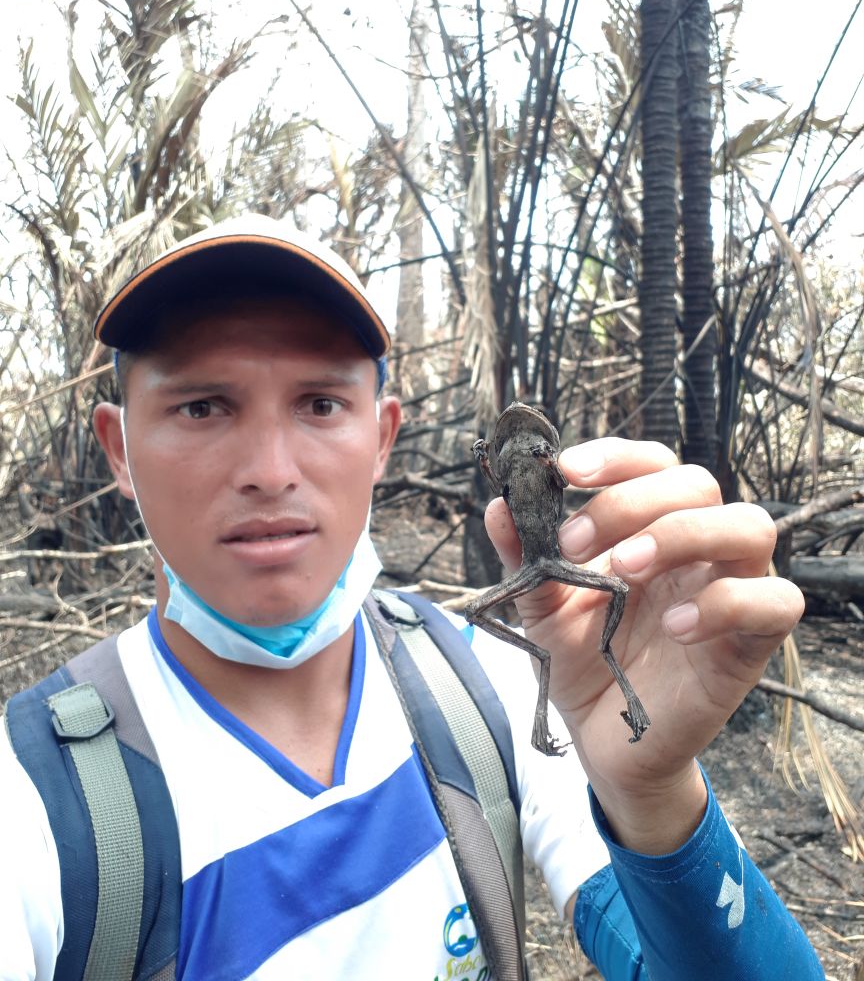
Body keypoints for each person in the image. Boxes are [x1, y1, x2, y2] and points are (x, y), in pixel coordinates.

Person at [1, 212, 824, 980]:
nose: (270, 469)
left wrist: (655, 800)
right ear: (119, 447)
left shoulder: (481, 684)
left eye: (321, 404)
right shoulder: (38, 803)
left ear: (384, 436)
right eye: (201, 405)